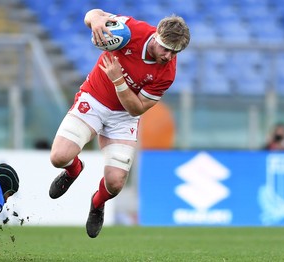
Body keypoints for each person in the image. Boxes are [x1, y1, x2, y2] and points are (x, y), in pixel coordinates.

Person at [48, 8, 190, 238]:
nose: (168, 57)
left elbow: (136, 108)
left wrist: (118, 80)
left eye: (175, 53)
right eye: (166, 49)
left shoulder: (167, 73)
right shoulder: (132, 30)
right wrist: (95, 20)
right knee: (59, 157)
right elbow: (94, 14)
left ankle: (97, 203)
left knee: (115, 183)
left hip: (124, 116)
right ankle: (74, 170)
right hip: (94, 98)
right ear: (155, 37)